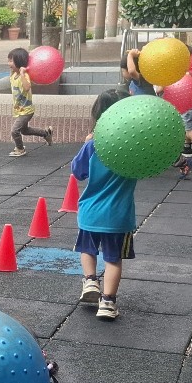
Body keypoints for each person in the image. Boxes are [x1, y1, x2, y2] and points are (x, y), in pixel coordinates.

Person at [72, 89, 137, 320]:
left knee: (87, 249)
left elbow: (78, 172)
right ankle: (108, 302)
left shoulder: (93, 145)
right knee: (113, 259)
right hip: (118, 217)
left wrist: (86, 144)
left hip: (90, 212)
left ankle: (90, 281)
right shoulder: (134, 147)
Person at [6, 47, 54, 158]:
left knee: (14, 131)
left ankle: (20, 149)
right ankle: (46, 133)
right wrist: (16, 70)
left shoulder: (24, 75)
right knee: (25, 131)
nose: (8, 63)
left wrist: (23, 73)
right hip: (20, 110)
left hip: (27, 111)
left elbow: (27, 87)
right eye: (8, 60)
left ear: (19, 62)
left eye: (11, 61)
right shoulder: (13, 75)